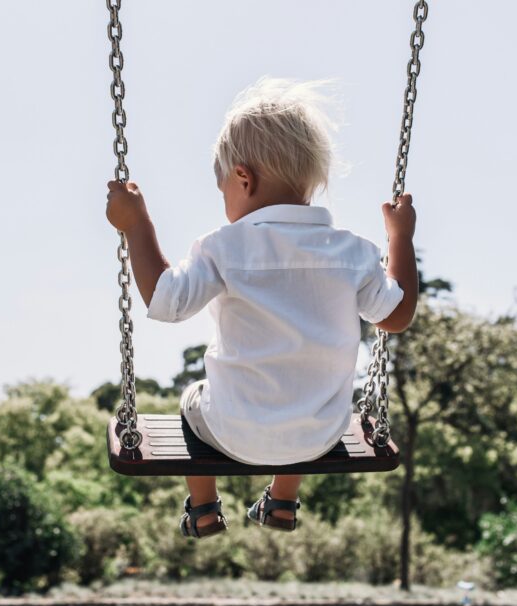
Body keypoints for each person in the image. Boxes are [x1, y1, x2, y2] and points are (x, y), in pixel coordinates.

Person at [105, 78, 419, 538]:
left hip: (231, 431)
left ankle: (204, 506)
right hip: (321, 436)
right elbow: (396, 316)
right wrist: (400, 238)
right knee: (305, 399)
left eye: (224, 191)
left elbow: (167, 301)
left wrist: (136, 225)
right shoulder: (353, 251)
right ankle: (283, 500)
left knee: (191, 397)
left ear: (243, 179)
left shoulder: (224, 247)